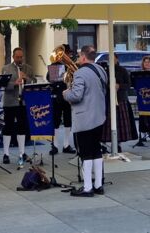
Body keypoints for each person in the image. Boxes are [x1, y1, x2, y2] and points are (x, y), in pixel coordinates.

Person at [64, 45, 108, 197]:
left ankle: (88, 187)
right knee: (96, 150)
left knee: (85, 152)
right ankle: (98, 185)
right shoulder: (101, 70)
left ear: (83, 56)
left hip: (85, 119)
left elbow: (76, 96)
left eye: (78, 56)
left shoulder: (80, 73)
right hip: (99, 116)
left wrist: (66, 92)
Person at [0, 47, 32, 165]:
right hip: (9, 102)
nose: (20, 59)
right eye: (17, 57)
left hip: (23, 102)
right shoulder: (6, 68)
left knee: (22, 127)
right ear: (13, 57)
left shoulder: (28, 68)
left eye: (21, 57)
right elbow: (3, 84)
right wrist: (15, 83)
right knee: (8, 127)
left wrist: (26, 78)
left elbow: (33, 82)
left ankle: (21, 153)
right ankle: (6, 154)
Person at [46, 45, 76, 155]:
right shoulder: (55, 65)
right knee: (56, 121)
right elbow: (49, 78)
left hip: (68, 95)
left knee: (68, 120)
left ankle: (66, 145)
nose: (68, 56)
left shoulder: (71, 65)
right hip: (56, 96)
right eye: (67, 54)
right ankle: (54, 145)